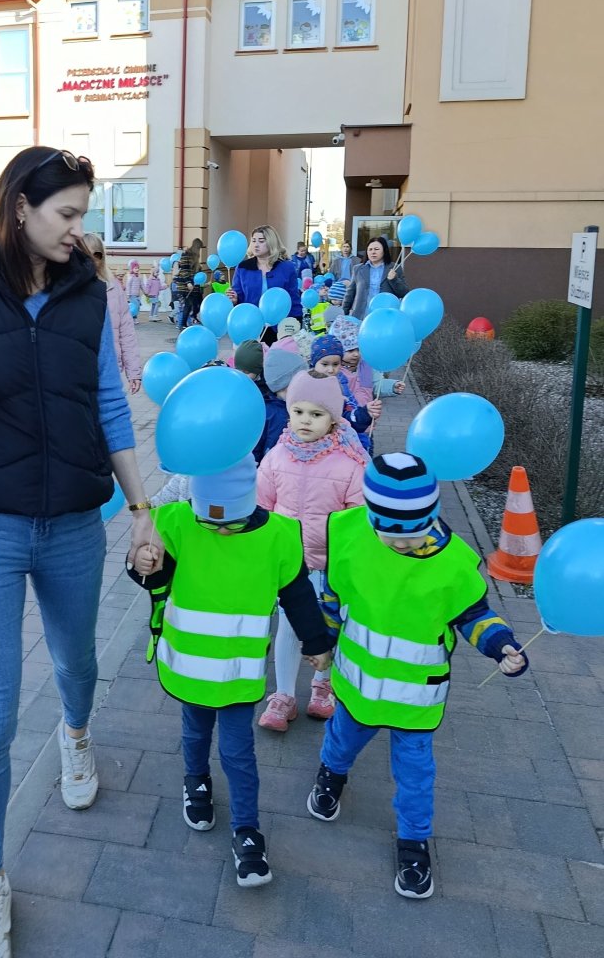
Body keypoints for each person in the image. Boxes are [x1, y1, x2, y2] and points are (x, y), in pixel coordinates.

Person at [0, 148, 160, 958]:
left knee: (75, 661)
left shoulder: (89, 293)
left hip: (72, 523)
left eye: (84, 213)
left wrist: (143, 511)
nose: (78, 229)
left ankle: (75, 736)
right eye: (67, 213)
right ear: (21, 207)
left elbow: (109, 404)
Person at [307, 453, 528, 899]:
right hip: (357, 685)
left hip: (416, 698)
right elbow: (332, 597)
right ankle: (331, 774)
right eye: (389, 536)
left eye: (412, 536)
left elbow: (473, 615)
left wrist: (500, 644)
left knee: (416, 774)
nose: (401, 545)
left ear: (431, 518)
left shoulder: (454, 563)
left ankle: (413, 840)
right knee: (342, 739)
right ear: (372, 517)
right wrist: (322, 641)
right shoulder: (349, 534)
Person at [130, 455, 333, 887]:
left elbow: (297, 593)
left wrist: (316, 642)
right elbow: (155, 579)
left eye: (231, 522)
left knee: (239, 752)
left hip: (239, 673)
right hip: (190, 666)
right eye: (210, 521)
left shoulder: (278, 535)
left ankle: (247, 831)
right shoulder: (176, 522)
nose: (221, 531)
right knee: (195, 732)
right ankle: (196, 781)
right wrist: (143, 565)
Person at [256, 372, 367, 730]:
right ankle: (283, 695)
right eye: (298, 411)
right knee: (290, 625)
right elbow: (263, 507)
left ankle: (322, 686)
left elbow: (358, 519)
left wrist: (349, 562)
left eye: (316, 414)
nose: (305, 420)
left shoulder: (350, 463)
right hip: (292, 566)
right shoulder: (276, 458)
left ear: (333, 418)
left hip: (332, 567)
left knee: (332, 624)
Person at [84, 234, 142, 394]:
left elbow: (127, 332)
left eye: (96, 255)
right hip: (80, 371)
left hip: (109, 370)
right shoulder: (69, 288)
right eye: (86, 255)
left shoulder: (113, 287)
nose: (92, 261)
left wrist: (134, 372)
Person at [227, 226, 302, 340]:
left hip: (280, 328)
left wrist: (296, 321)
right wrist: (234, 299)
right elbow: (239, 298)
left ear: (271, 243)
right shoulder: (243, 267)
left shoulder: (287, 267)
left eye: (261, 241)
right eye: (253, 241)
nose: (256, 245)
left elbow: (293, 298)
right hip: (250, 325)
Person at [310, 335, 380, 454]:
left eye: (335, 364)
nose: (331, 370)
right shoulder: (307, 384)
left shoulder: (340, 381)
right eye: (325, 364)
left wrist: (364, 413)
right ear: (314, 363)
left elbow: (348, 408)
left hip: (337, 441)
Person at [330, 316, 406, 405]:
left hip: (366, 411)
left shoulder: (365, 365)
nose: (356, 354)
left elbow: (376, 385)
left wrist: (392, 386)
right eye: (350, 350)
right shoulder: (333, 369)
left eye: (358, 349)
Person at [342, 237, 407, 320]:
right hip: (361, 317)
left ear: (384, 250)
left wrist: (394, 279)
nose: (373, 252)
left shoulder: (394, 268)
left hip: (384, 317)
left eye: (376, 249)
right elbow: (350, 293)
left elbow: (404, 293)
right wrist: (344, 312)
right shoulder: (358, 269)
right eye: (370, 249)